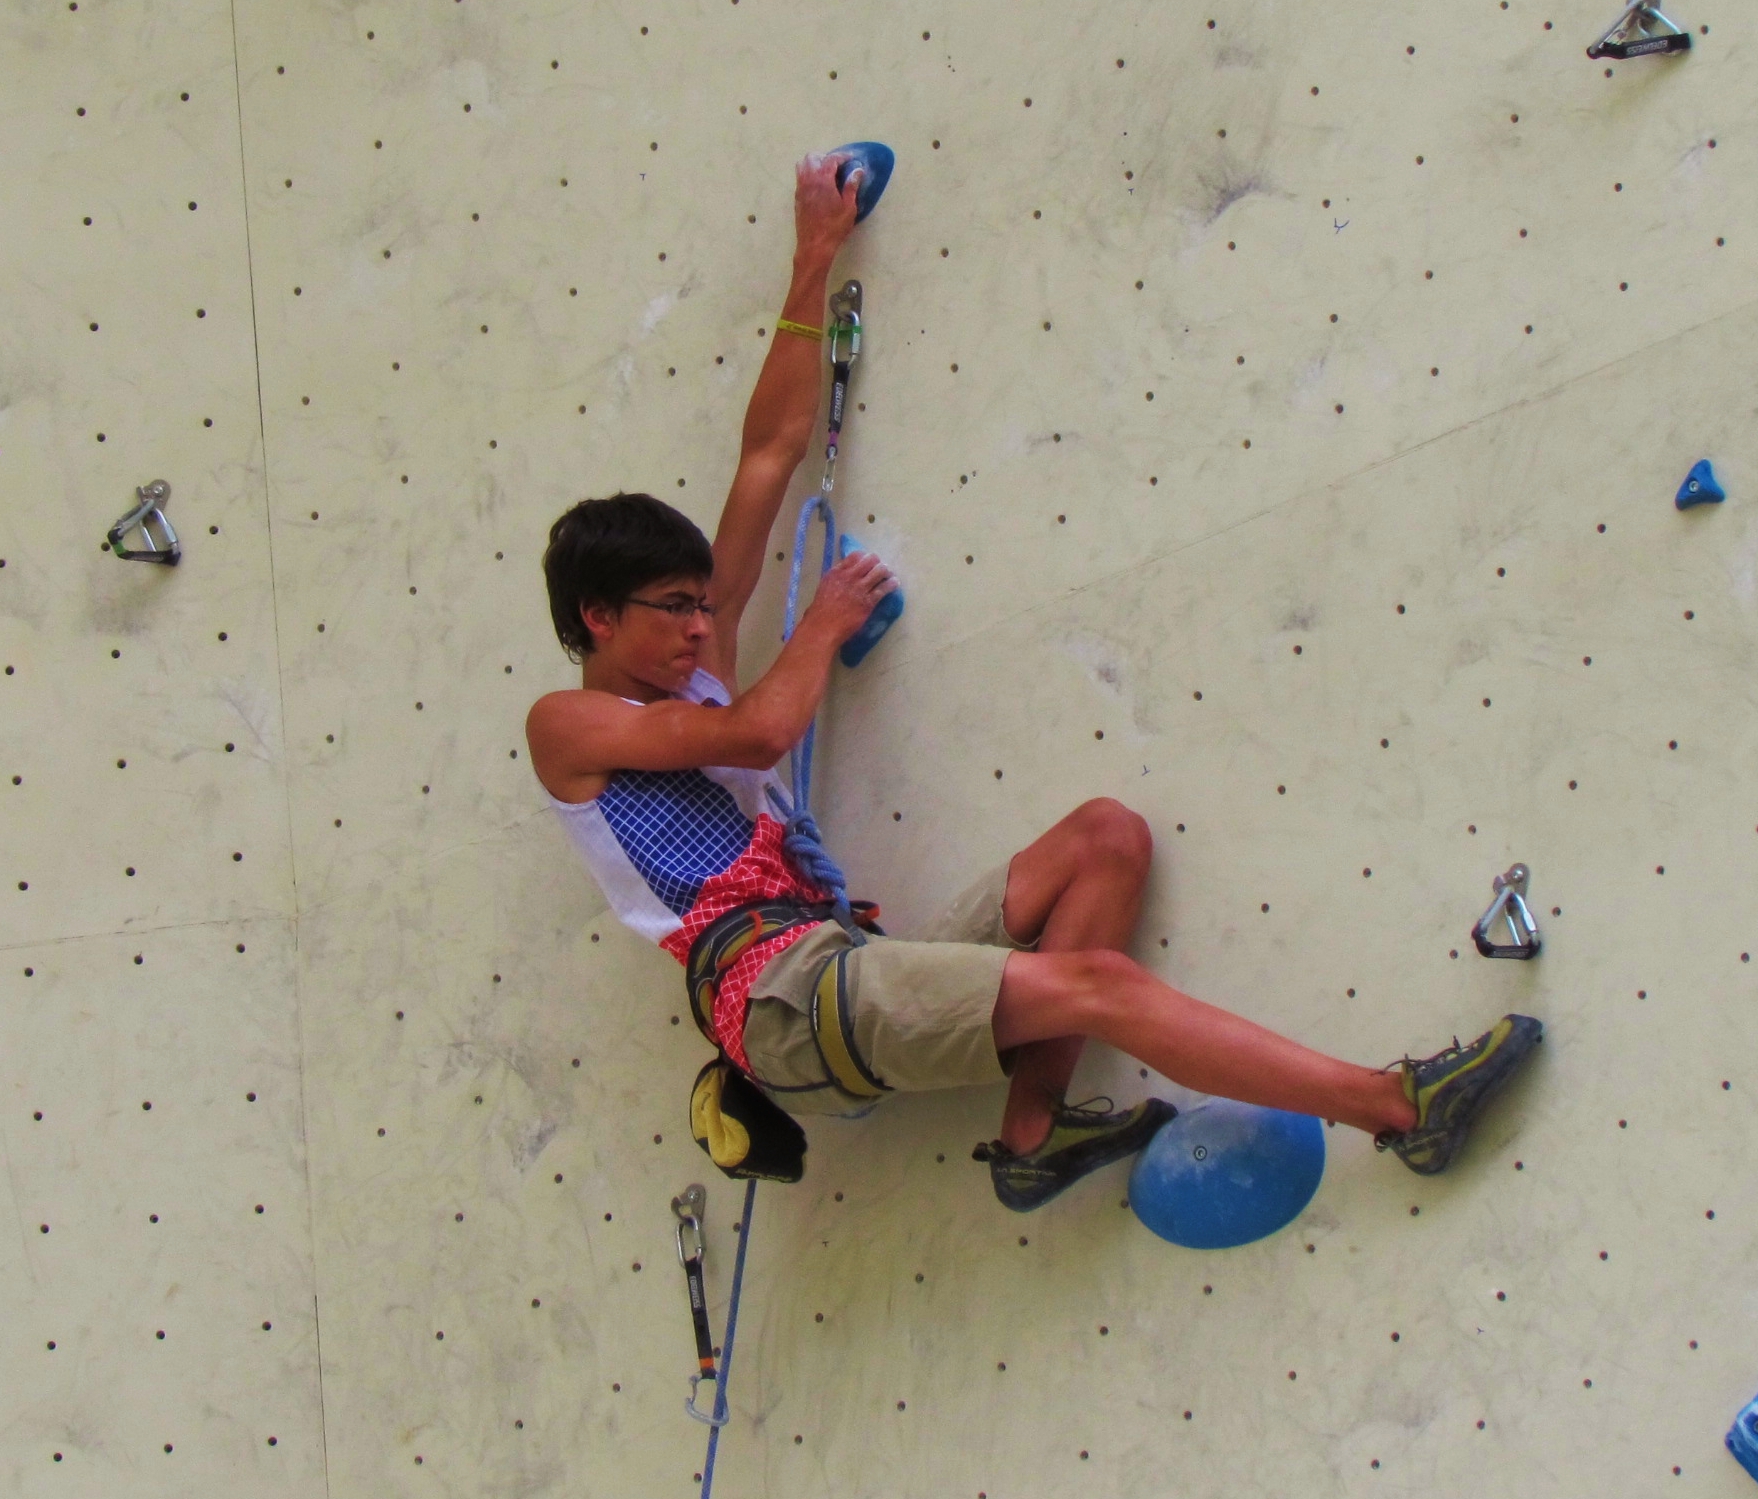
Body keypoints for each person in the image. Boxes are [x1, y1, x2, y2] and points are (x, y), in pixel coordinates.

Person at [525, 154, 1542, 1211]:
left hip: (835, 955)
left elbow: (771, 450)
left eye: (705, 602)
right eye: (675, 610)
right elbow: (755, 735)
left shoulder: (691, 671)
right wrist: (821, 621)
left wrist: (812, 256)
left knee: (1105, 838)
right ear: (599, 619)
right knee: (1097, 988)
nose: (704, 623)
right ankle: (1397, 1107)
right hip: (781, 996)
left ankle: (1032, 1129)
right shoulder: (568, 726)